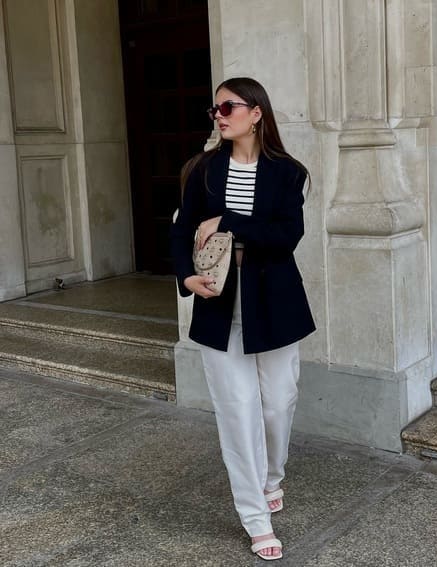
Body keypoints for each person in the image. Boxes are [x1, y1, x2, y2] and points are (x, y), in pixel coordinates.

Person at [171, 77, 316, 561]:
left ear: (256, 112)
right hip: (217, 306)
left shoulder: (287, 172)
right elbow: (180, 231)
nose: (220, 115)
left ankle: (273, 476)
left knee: (278, 403)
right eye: (214, 109)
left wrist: (230, 221)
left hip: (274, 305)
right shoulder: (202, 169)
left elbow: (286, 237)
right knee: (237, 413)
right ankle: (255, 516)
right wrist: (185, 277)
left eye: (228, 107)